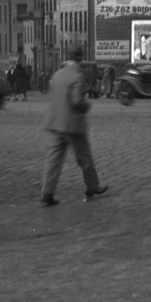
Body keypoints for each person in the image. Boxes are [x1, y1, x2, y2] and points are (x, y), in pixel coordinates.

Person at [40, 46, 108, 207]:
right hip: (73, 124)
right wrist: (86, 106)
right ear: (81, 59)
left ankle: (47, 192)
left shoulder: (57, 74)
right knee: (84, 157)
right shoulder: (77, 76)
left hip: (56, 122)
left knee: (54, 159)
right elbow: (77, 101)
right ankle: (92, 186)